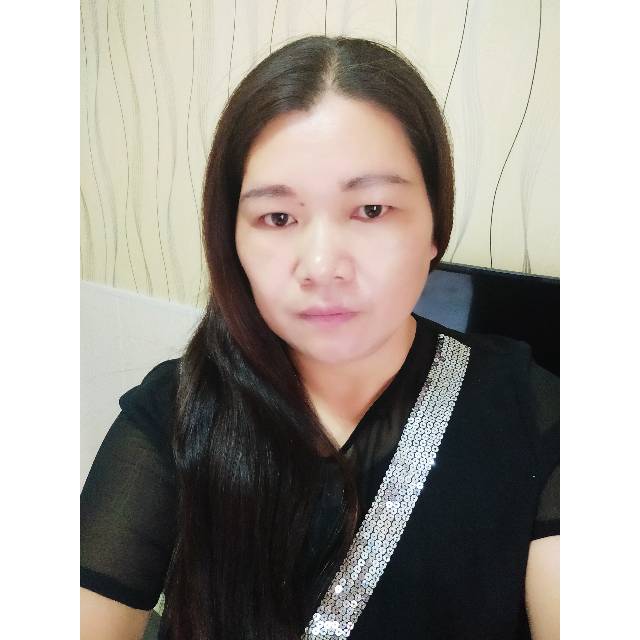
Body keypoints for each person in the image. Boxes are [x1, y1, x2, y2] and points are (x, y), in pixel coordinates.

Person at [80, 35, 559, 640]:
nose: (323, 266)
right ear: (232, 239)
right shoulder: (178, 411)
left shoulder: (534, 414)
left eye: (372, 210)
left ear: (434, 226)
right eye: (278, 217)